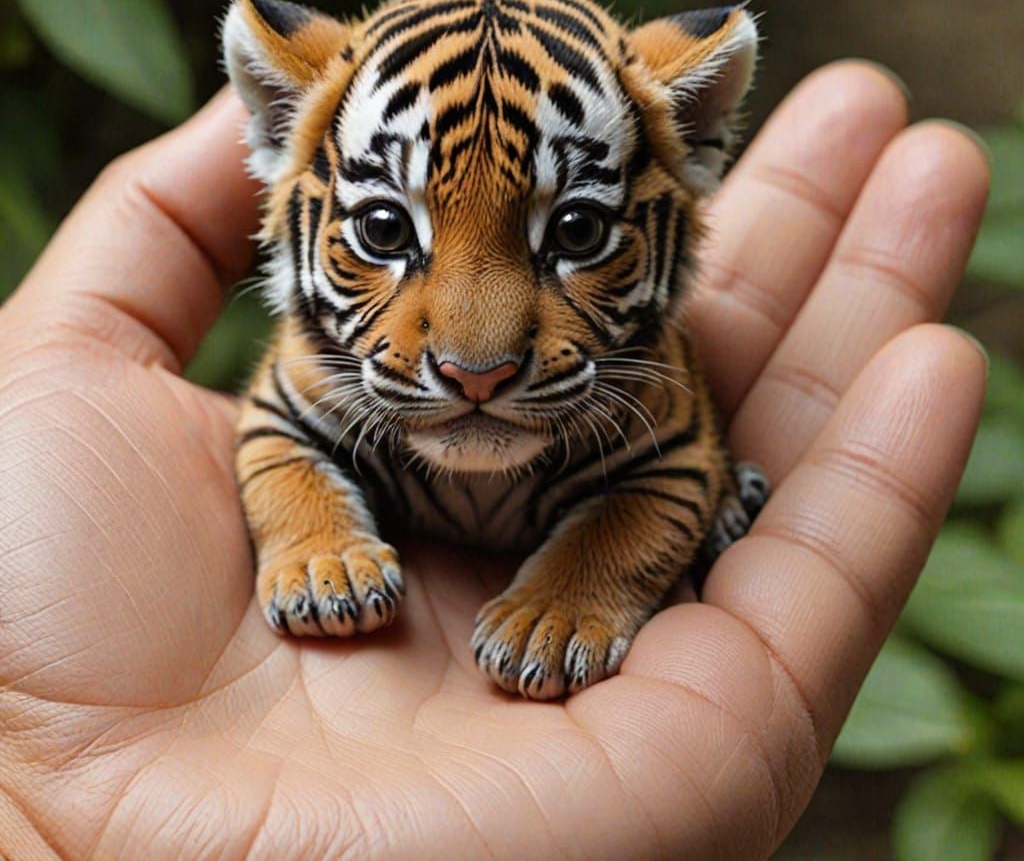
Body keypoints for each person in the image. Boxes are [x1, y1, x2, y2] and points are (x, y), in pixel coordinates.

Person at [0, 61, 989, 859]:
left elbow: (663, 475)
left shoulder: (642, 379)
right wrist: (309, 531)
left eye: (579, 230)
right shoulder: (322, 367)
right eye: (385, 230)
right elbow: (274, 438)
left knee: (688, 468)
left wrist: (583, 586)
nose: (476, 349)